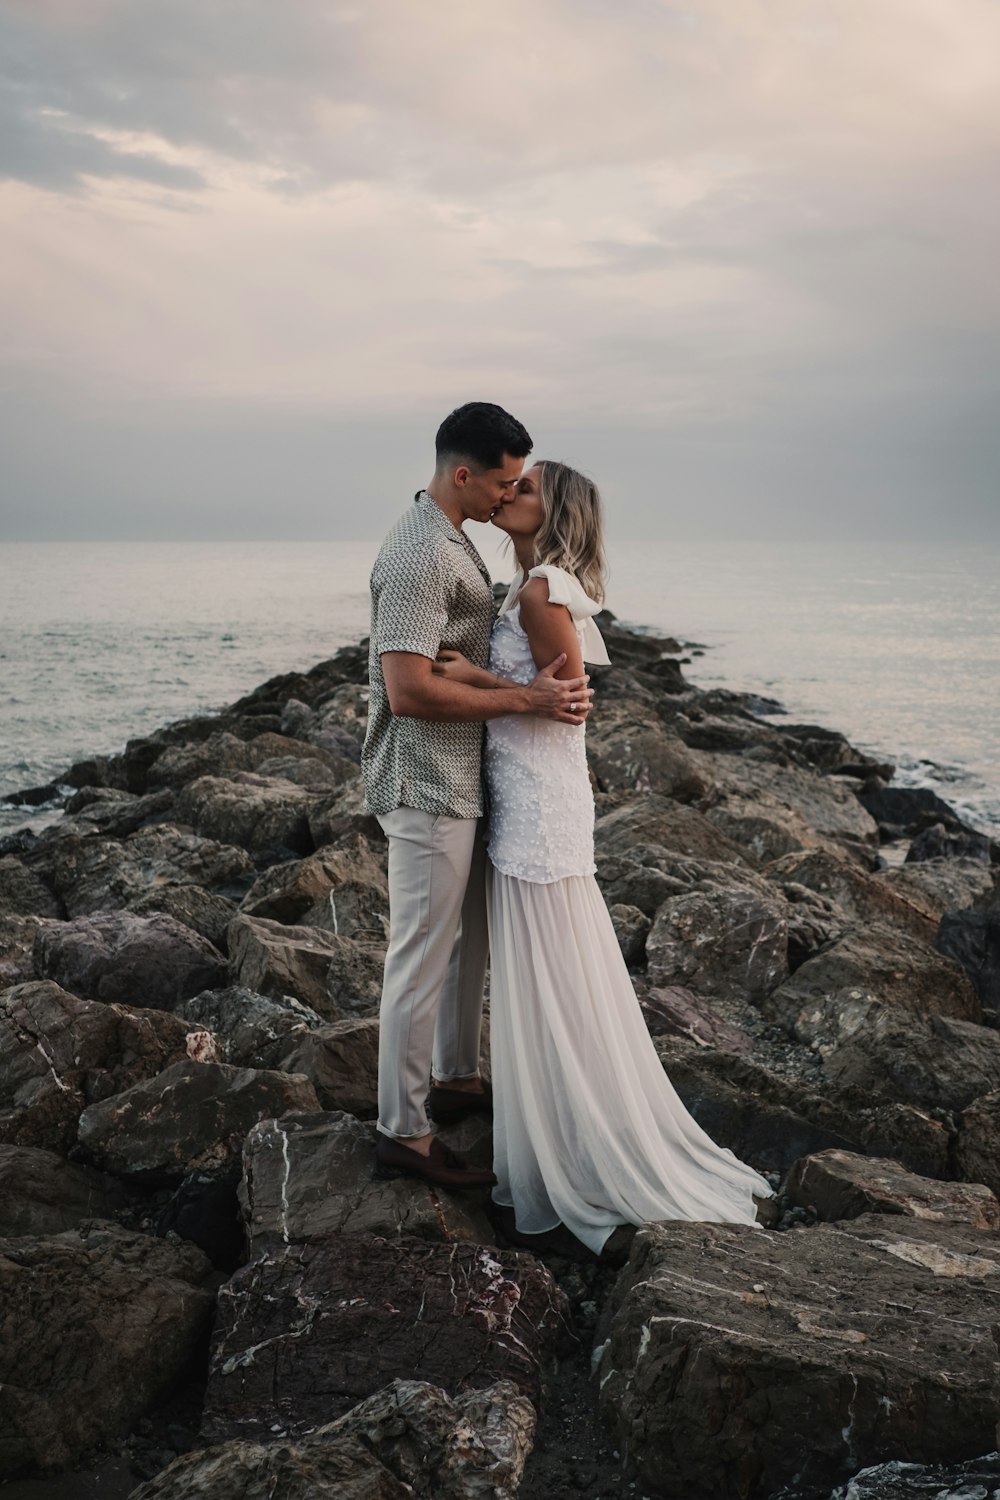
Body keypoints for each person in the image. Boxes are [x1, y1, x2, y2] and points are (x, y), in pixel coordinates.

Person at [433, 459, 774, 1253]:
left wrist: (477, 678)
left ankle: (576, 1154)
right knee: (554, 974)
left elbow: (563, 709)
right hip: (537, 798)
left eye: (526, 488)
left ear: (555, 514)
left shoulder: (541, 592)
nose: (509, 491)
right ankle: (565, 1126)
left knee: (551, 974)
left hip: (539, 806)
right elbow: (549, 694)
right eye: (509, 484)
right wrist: (489, 675)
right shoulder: (541, 585)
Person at [362, 404, 595, 1191]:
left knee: (466, 946)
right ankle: (404, 1130)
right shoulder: (422, 552)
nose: (508, 495)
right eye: (502, 481)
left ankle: (458, 1076)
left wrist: (495, 681)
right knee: (420, 958)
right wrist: (526, 702)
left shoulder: (455, 542)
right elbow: (406, 690)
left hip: (465, 780)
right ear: (464, 474)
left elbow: (448, 656)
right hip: (427, 780)